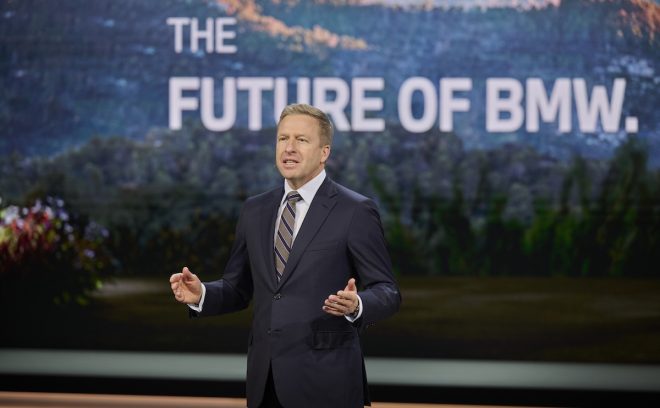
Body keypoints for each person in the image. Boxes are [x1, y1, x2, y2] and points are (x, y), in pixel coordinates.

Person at [170, 103, 401, 407]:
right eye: (283, 138)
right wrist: (202, 294)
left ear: (324, 152)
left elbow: (388, 291)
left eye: (301, 140)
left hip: (327, 383)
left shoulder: (354, 210)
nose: (289, 148)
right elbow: (238, 288)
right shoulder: (255, 209)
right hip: (265, 382)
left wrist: (357, 305)